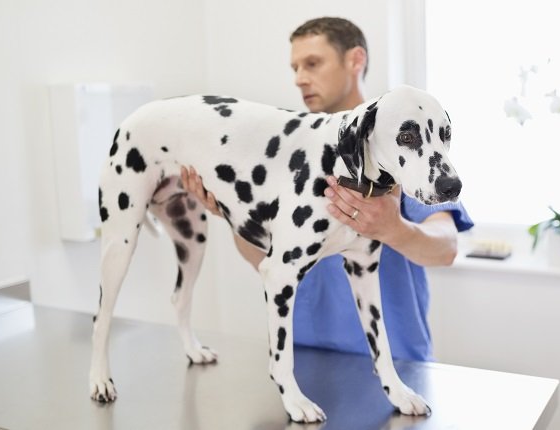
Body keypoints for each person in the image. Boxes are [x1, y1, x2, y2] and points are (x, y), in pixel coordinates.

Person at [181, 17, 473, 361]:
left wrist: (392, 228)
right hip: (306, 359)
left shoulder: (396, 140)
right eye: (295, 67)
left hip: (394, 362)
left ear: (355, 60)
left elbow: (445, 248)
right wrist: (230, 211)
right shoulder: (287, 150)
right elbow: (263, 258)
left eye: (313, 63)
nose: (300, 78)